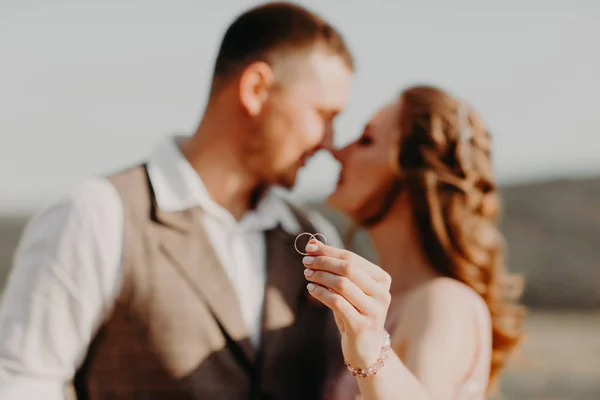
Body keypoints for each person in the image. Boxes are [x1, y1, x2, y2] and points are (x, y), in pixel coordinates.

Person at [0, 2, 354, 399]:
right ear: (256, 89)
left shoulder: (314, 237)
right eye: (323, 114)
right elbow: (24, 381)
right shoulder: (99, 213)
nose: (329, 141)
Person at [300, 85, 525, 399]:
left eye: (366, 140)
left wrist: (370, 349)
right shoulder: (387, 304)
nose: (337, 151)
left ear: (412, 174)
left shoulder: (445, 303)